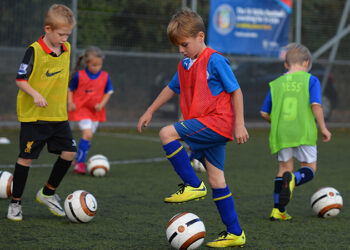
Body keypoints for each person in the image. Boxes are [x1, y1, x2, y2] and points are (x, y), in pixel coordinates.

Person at [138, 8, 249, 248]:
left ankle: (192, 184)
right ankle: (235, 232)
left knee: (166, 133)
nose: (181, 50)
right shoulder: (186, 64)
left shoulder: (215, 60)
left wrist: (239, 123)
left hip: (216, 122)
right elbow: (171, 87)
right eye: (178, 46)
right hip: (206, 125)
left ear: (200, 36)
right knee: (217, 179)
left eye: (184, 44)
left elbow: (236, 91)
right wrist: (150, 110)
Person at [8, 4, 77, 221]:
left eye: (68, 34)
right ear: (47, 29)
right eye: (61, 34)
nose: (65, 38)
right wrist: (35, 94)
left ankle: (47, 193)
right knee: (26, 159)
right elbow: (20, 80)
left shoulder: (66, 49)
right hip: (34, 117)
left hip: (58, 116)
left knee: (70, 153)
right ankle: (15, 203)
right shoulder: (34, 50)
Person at [260, 43, 332, 221]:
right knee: (309, 169)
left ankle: (278, 210)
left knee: (283, 169)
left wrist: (277, 123)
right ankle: (293, 180)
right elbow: (316, 105)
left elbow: (264, 113)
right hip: (303, 131)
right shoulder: (311, 80)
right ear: (307, 62)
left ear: (286, 64)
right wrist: (323, 128)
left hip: (282, 133)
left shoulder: (276, 84)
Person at [68, 46, 114, 174]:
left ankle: (78, 159)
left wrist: (101, 104)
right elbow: (70, 89)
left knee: (88, 137)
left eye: (99, 64)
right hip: (81, 109)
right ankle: (80, 164)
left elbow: (108, 92)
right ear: (86, 63)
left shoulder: (105, 76)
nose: (97, 67)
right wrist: (70, 102)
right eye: (94, 65)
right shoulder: (79, 75)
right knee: (87, 134)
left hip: (95, 111)